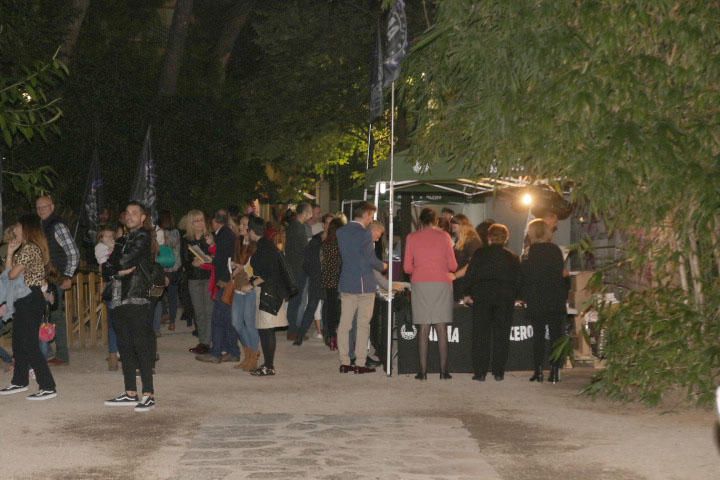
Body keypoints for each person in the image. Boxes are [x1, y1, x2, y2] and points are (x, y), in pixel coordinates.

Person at [103, 201, 157, 411]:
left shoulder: (143, 236)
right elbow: (106, 269)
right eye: (128, 212)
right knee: (124, 345)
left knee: (140, 345)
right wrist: (116, 271)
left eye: (136, 213)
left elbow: (124, 261)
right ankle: (130, 392)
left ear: (143, 218)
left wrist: (115, 267)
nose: (131, 215)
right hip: (118, 297)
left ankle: (149, 394)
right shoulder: (122, 239)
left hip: (136, 296)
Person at [0, 214, 57, 400]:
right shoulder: (25, 249)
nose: (14, 229)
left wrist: (12, 262)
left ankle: (48, 385)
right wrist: (10, 253)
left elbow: (11, 274)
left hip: (30, 297)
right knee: (18, 341)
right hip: (25, 298)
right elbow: (10, 273)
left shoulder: (30, 249)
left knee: (29, 343)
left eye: (17, 226)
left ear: (25, 228)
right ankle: (19, 381)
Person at [403, 207, 458, 380]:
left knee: (423, 328)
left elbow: (406, 268)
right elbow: (453, 266)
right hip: (442, 283)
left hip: (420, 284)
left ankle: (423, 372)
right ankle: (443, 372)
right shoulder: (445, 236)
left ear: (420, 220)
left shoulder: (412, 237)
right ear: (435, 221)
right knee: (441, 328)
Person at [462, 224, 520, 381]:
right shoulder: (512, 256)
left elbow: (470, 275)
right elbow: (517, 280)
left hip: (483, 296)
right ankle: (498, 372)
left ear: (488, 237)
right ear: (506, 238)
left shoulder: (480, 253)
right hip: (504, 298)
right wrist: (517, 296)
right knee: (501, 335)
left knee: (481, 334)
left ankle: (480, 372)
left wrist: (466, 293)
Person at [336, 202, 386, 374]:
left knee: (344, 324)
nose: (371, 219)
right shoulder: (364, 234)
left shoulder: (340, 231)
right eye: (371, 216)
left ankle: (344, 361)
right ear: (365, 214)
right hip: (364, 283)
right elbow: (370, 259)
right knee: (363, 324)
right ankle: (360, 362)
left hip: (347, 282)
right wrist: (383, 266)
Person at [520, 219, 569, 384]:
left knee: (538, 336)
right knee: (556, 336)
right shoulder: (555, 250)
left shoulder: (528, 252)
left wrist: (524, 296)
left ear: (531, 233)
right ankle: (555, 371)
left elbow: (524, 276)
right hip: (555, 297)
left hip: (536, 298)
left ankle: (538, 370)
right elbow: (562, 274)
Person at [248, 216, 297, 376]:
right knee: (266, 330)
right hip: (275, 292)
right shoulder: (267, 245)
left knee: (266, 330)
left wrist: (250, 284)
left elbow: (266, 273)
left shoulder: (263, 248)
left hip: (269, 293)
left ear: (251, 231)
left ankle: (268, 366)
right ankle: (268, 365)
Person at [36, 195, 79, 366]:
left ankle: (60, 354)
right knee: (44, 313)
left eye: (44, 207)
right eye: (38, 207)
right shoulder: (41, 227)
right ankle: (48, 352)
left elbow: (73, 252)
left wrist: (67, 275)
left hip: (56, 277)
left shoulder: (57, 226)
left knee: (54, 314)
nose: (41, 210)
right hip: (43, 278)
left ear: (52, 207)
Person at [196, 211, 239, 364]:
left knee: (219, 319)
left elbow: (221, 260)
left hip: (225, 281)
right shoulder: (227, 233)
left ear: (214, 221)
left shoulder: (224, 235)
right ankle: (231, 351)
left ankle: (218, 353)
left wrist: (206, 261)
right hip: (226, 280)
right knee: (225, 319)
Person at [230, 215, 261, 371]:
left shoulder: (256, 246)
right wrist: (234, 266)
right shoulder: (239, 241)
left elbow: (254, 268)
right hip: (238, 286)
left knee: (249, 323)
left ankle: (253, 357)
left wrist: (241, 267)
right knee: (236, 322)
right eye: (240, 224)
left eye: (244, 225)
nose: (240, 227)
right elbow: (238, 263)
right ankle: (249, 353)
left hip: (250, 287)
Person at [182, 210, 214, 355]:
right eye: (196, 221)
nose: (200, 223)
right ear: (191, 223)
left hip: (208, 277)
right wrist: (192, 263)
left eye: (201, 220)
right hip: (194, 279)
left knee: (209, 311)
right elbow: (184, 261)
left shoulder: (209, 238)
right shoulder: (186, 240)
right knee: (199, 311)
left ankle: (208, 342)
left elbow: (216, 256)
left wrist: (208, 256)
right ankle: (203, 342)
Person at [285, 202, 312, 341]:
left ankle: (292, 329)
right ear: (305, 213)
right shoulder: (299, 228)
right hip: (298, 269)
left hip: (292, 267)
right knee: (296, 300)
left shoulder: (292, 226)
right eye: (310, 212)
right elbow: (304, 249)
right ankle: (293, 330)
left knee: (294, 300)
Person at [95, 226, 120, 371]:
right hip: (111, 286)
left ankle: (117, 351)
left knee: (118, 321)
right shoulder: (100, 248)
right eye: (106, 236)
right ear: (101, 238)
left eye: (112, 236)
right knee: (113, 322)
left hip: (118, 286)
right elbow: (105, 266)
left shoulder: (116, 246)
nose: (110, 238)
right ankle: (113, 353)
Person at [320, 217, 345, 350]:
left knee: (329, 308)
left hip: (328, 279)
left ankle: (330, 336)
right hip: (338, 278)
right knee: (338, 309)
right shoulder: (341, 245)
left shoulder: (325, 243)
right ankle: (336, 336)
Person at [157, 210, 182, 331]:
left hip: (162, 267)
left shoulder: (159, 232)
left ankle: (164, 313)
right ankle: (172, 321)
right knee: (173, 295)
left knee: (159, 293)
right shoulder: (176, 232)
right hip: (175, 267)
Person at [450, 214, 483, 301]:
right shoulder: (458, 239)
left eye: (456, 222)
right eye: (452, 222)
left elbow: (472, 264)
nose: (452, 224)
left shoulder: (472, 241)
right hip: (458, 281)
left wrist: (455, 275)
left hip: (466, 283)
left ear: (463, 225)